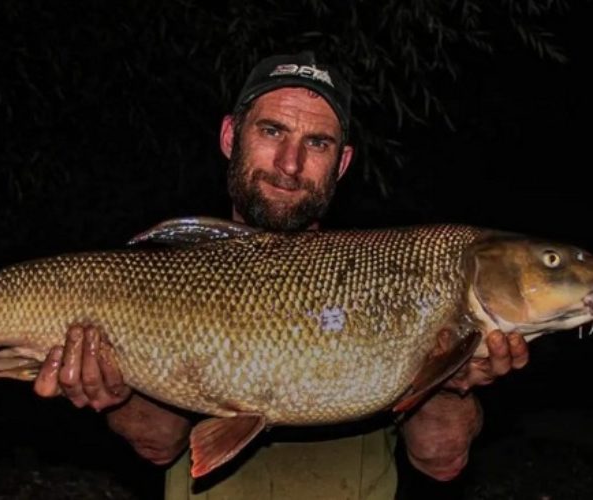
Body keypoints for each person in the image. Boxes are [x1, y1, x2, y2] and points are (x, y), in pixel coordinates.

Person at [33, 51, 530, 499]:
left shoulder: (381, 280)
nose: (290, 164)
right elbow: (159, 445)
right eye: (272, 131)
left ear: (342, 163)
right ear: (231, 136)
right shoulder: (169, 271)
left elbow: (441, 462)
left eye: (317, 142)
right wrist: (113, 395)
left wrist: (447, 379)